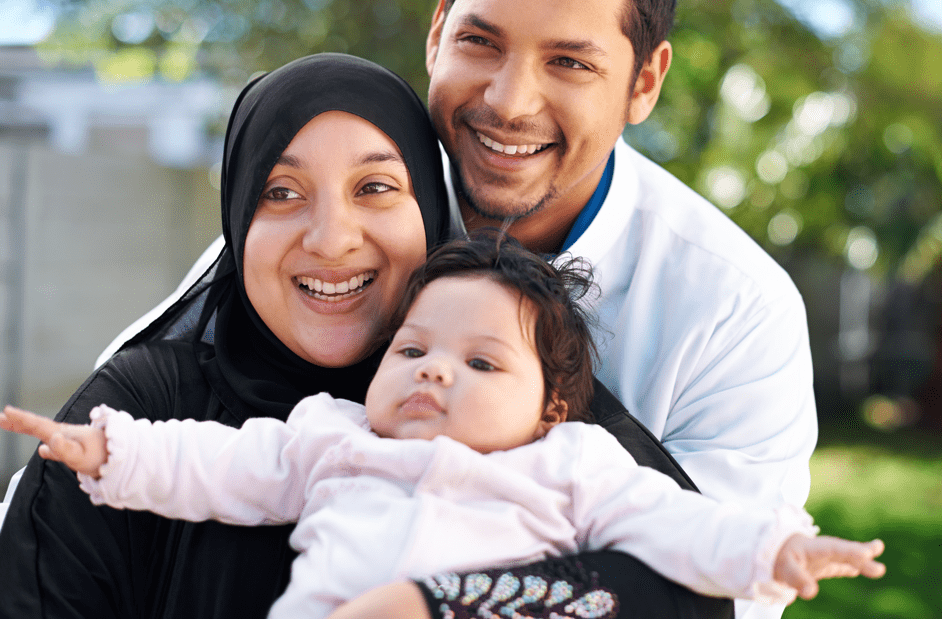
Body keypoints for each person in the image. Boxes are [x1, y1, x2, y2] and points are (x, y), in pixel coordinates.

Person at [100, 0, 816, 616]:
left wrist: (437, 604)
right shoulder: (331, 223)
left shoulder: (736, 311)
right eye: (481, 41)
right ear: (438, 31)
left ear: (644, 82)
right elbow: (155, 385)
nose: (508, 101)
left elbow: (716, 596)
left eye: (569, 61)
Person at [0, 235, 885, 619]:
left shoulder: (573, 464)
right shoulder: (332, 436)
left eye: (481, 362)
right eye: (413, 347)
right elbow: (222, 462)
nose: (433, 368)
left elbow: (677, 525)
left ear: (551, 407)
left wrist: (773, 549)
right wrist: (114, 448)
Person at [0, 53, 450, 618]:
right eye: (281, 192)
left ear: (430, 210)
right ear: (238, 221)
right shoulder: (142, 415)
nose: (332, 240)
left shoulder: (512, 406)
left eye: (375, 186)